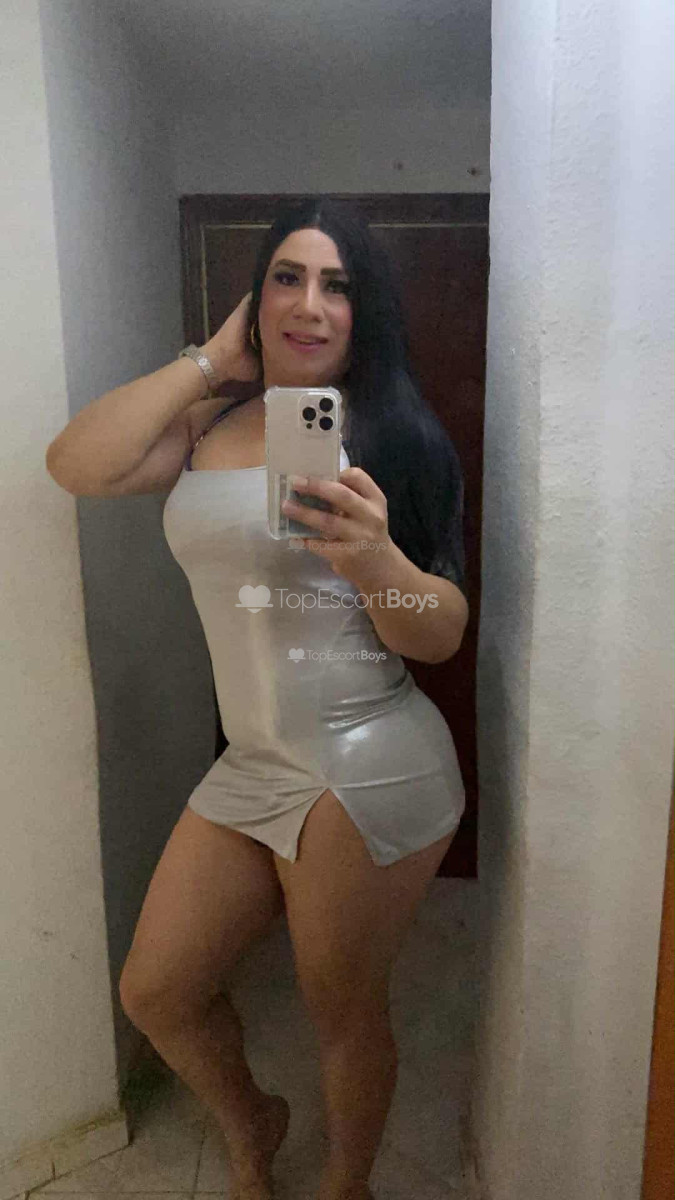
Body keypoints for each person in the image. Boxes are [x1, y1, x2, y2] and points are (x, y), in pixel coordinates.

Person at [46, 197, 470, 1200]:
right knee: (157, 990)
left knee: (341, 1008)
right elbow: (77, 465)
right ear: (255, 297)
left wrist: (373, 559)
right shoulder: (208, 424)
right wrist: (209, 362)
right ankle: (253, 1121)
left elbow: (441, 629)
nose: (310, 304)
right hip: (252, 759)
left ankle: (347, 1186)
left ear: (363, 312)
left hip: (365, 760)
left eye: (337, 285)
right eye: (287, 277)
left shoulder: (394, 434)